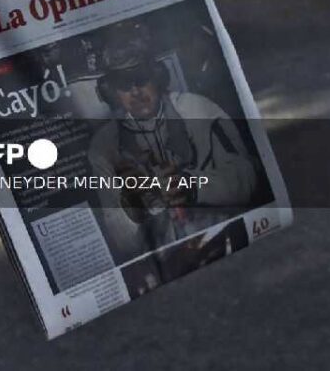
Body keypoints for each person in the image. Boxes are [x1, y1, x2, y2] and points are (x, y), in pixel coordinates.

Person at [87, 22, 260, 261]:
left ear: (158, 76)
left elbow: (249, 178)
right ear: (110, 92)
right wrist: (135, 210)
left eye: (141, 77)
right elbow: (121, 242)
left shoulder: (199, 108)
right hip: (168, 261)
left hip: (223, 241)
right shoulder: (103, 147)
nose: (136, 91)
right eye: (124, 83)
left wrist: (194, 185)